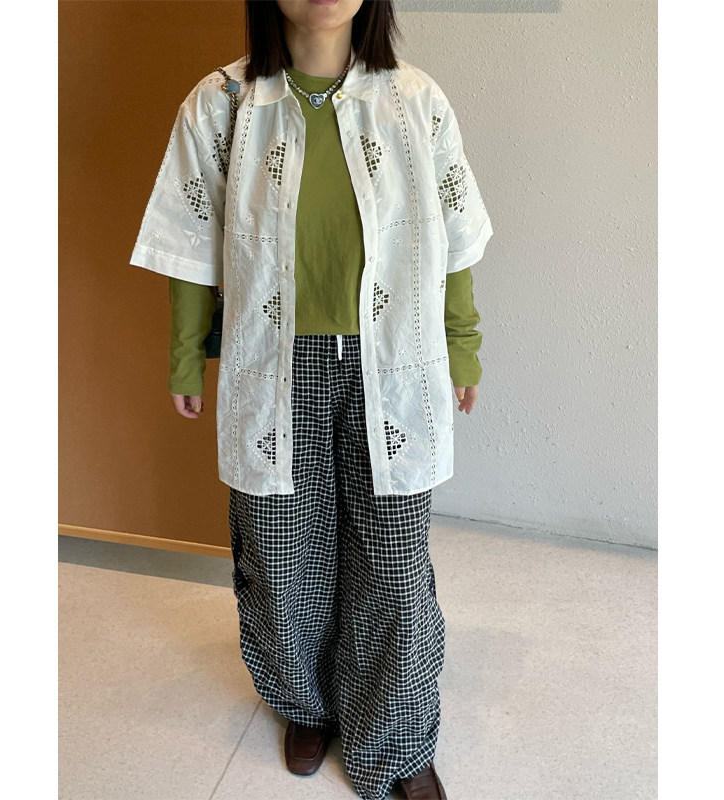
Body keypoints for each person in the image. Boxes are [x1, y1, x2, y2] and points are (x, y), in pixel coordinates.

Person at [130, 1, 493, 798]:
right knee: (281, 552)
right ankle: (306, 703)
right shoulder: (221, 104)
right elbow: (189, 245)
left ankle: (395, 738)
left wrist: (463, 345)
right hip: (272, 363)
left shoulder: (416, 101)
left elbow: (454, 238)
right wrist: (186, 360)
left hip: (391, 360)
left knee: (394, 561)